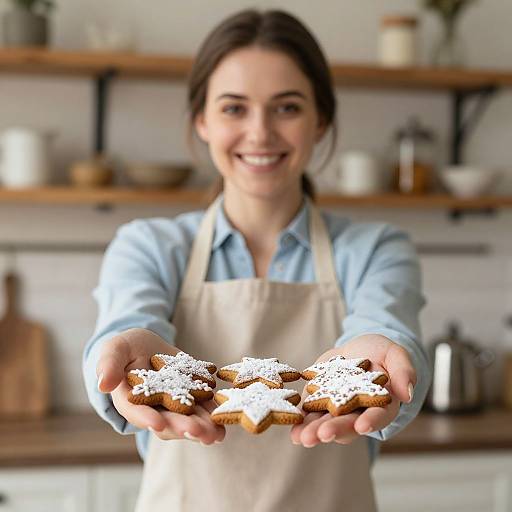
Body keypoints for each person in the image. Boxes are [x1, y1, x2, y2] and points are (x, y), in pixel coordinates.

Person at [83, 8, 430, 511]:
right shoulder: (148, 246)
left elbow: (389, 331)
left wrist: (381, 358)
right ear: (202, 120)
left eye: (287, 107)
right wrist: (123, 354)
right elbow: (123, 327)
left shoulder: (376, 249)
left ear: (321, 121)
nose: (260, 132)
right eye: (233, 108)